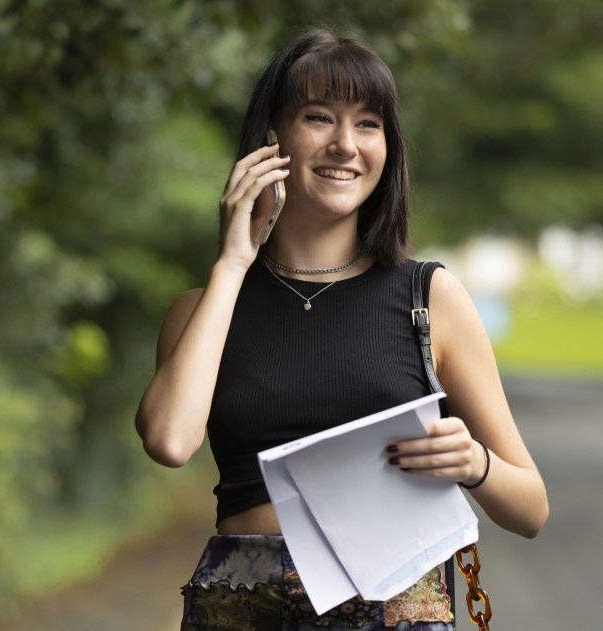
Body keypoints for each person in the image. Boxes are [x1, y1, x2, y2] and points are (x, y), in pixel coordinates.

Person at [135, 27, 549, 631]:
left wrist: (475, 462)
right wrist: (232, 262)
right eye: (318, 117)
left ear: (389, 147)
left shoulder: (430, 298)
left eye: (368, 124)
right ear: (270, 141)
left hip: (396, 605)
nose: (345, 145)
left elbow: (531, 508)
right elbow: (169, 442)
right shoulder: (205, 307)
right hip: (246, 607)